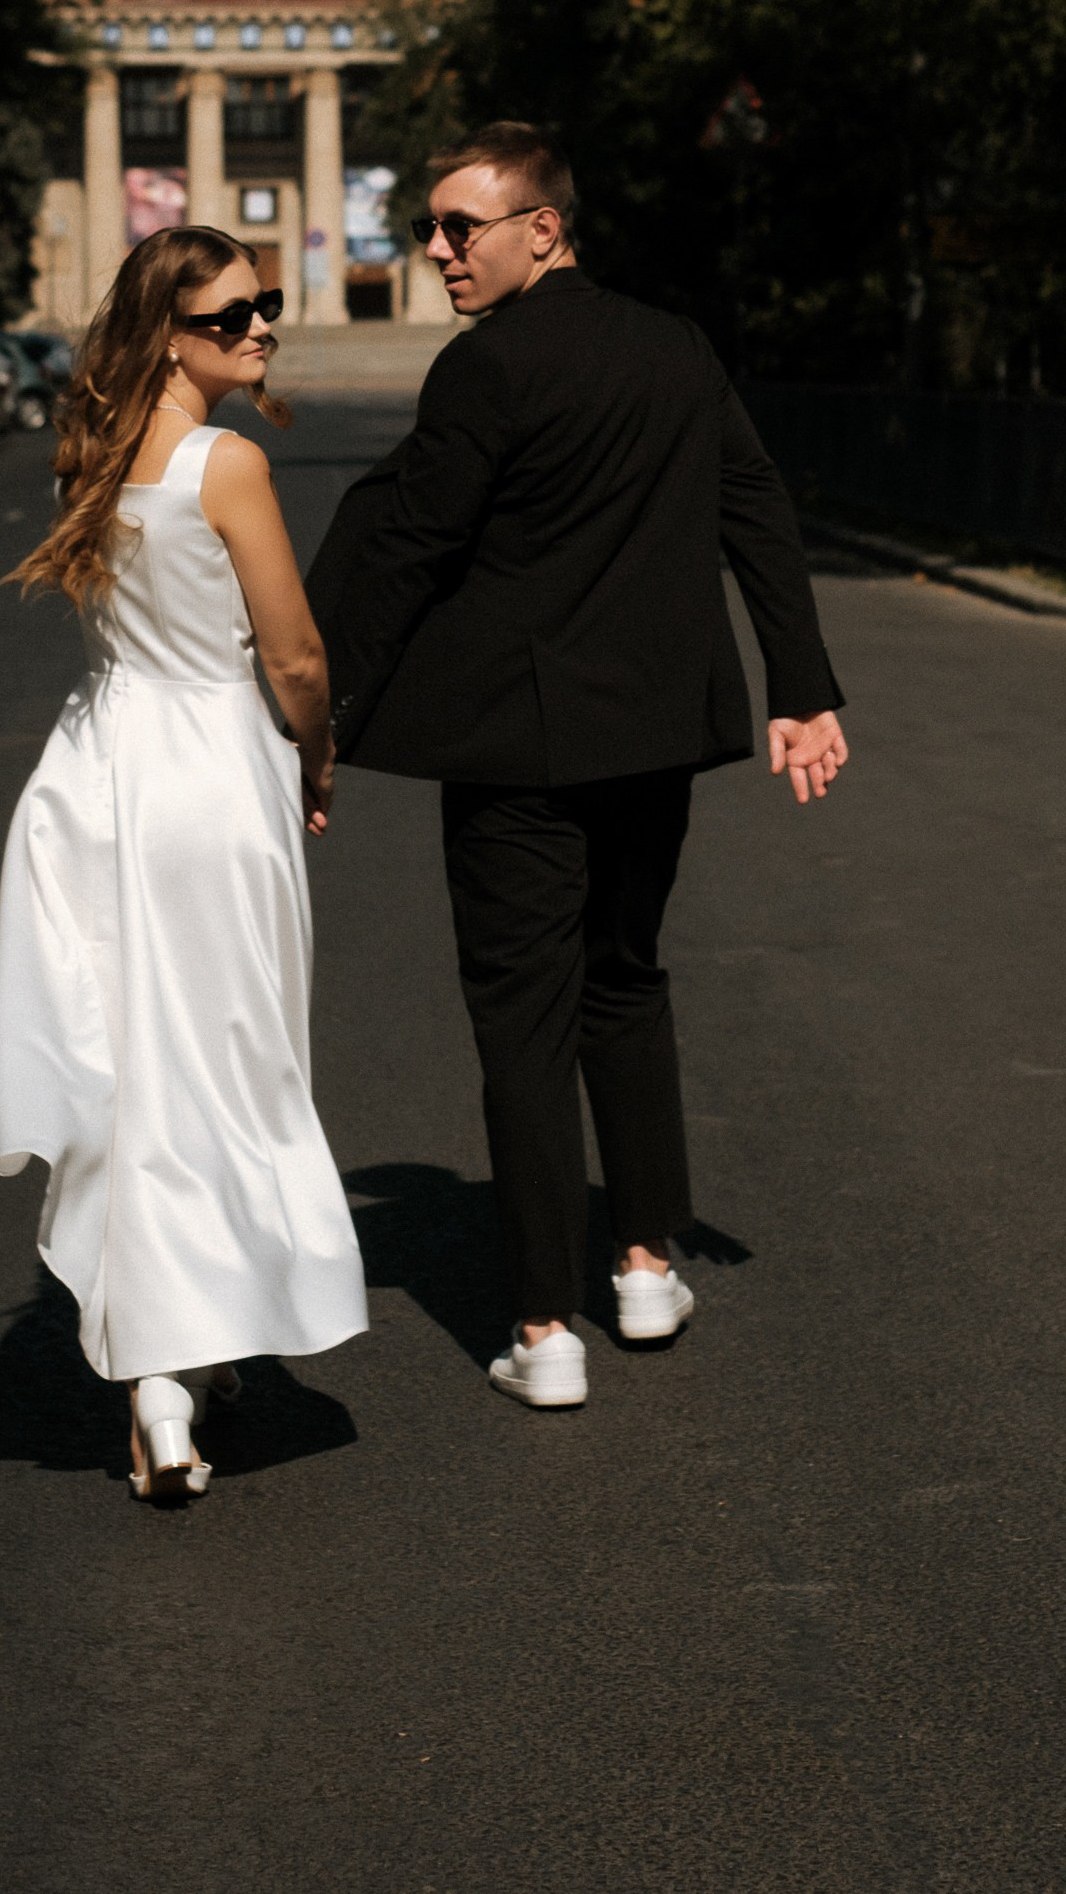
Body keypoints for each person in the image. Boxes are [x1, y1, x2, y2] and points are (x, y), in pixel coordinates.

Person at [309, 122, 847, 1410]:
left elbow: (409, 550)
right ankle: (646, 1266)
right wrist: (800, 687)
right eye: (427, 229)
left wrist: (319, 716)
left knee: (522, 1022)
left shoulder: (485, 366)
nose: (435, 250)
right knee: (624, 982)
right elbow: (754, 505)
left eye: (459, 227)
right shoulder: (674, 346)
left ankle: (544, 1329)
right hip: (651, 738)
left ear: (540, 228)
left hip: (516, 749)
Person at [0, 225, 367, 1503]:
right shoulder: (227, 462)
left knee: (134, 1074)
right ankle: (187, 1351)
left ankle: (164, 1381)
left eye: (264, 306)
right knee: (234, 1064)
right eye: (229, 317)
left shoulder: (89, 455)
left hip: (95, 772)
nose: (261, 329)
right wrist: (317, 754)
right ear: (166, 337)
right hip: (210, 774)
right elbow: (294, 655)